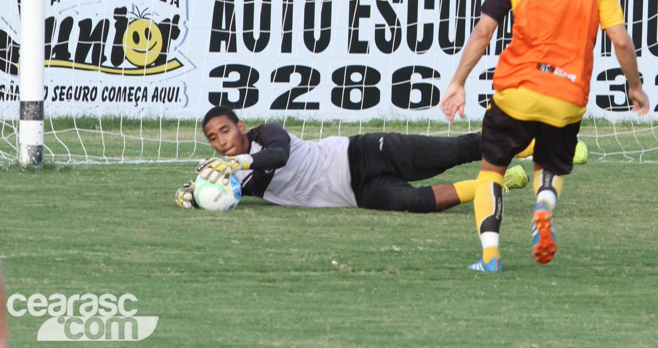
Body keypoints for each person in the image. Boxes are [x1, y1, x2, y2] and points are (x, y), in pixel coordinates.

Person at [440, 0, 649, 272]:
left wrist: (458, 82)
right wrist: (634, 87)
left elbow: (483, 31)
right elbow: (620, 40)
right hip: (566, 99)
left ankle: (490, 257)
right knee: (548, 164)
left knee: (491, 169)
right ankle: (543, 206)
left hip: (516, 92)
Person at [175, 106, 532, 213]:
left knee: (454, 151)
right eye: (212, 138)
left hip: (362, 152)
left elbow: (278, 157)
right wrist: (196, 193)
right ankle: (492, 183)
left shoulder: (266, 132)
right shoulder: (235, 180)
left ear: (240, 126)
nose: (221, 142)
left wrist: (237, 165)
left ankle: (532, 143)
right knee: (420, 202)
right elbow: (222, 191)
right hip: (358, 195)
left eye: (224, 131)